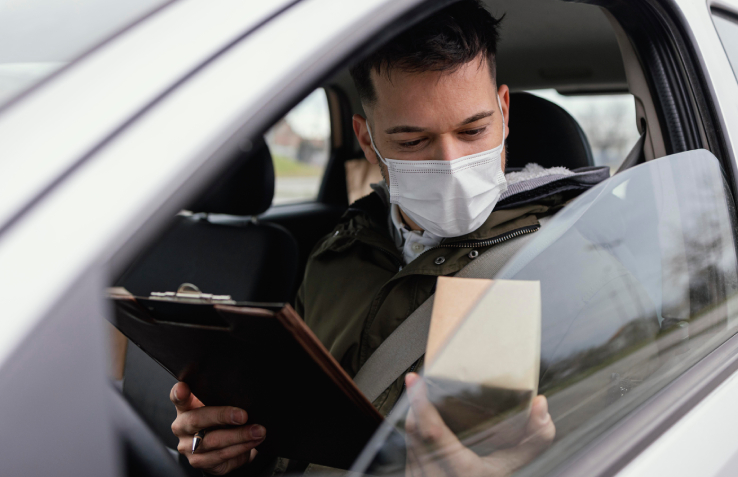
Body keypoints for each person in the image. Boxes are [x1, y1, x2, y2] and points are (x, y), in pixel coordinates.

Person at [169, 2, 560, 475]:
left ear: (504, 110)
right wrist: (234, 449)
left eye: (473, 130)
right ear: (367, 141)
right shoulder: (334, 256)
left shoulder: (573, 256)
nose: (452, 164)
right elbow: (293, 432)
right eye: (412, 142)